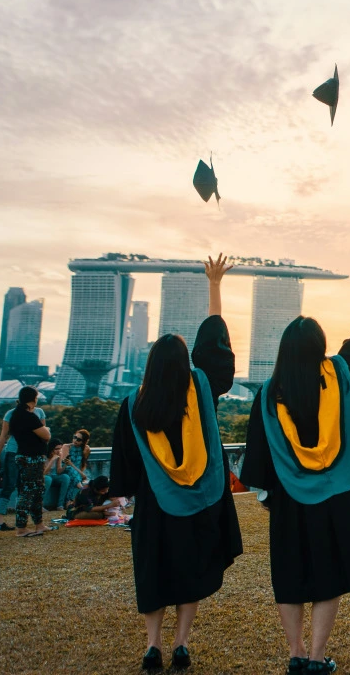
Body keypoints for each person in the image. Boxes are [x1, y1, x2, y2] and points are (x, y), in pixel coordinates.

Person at [241, 258, 350, 675]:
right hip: (337, 494)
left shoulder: (269, 394)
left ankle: (295, 652)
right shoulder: (339, 372)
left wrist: (268, 495)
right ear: (321, 345)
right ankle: (317, 656)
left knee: (290, 576)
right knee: (328, 574)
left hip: (289, 497)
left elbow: (258, 453)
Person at [110, 254, 243, 672]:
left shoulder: (133, 404)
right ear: (186, 363)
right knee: (191, 571)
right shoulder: (201, 387)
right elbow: (214, 345)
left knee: (155, 574)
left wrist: (129, 496)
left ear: (150, 364)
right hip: (200, 501)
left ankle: (153, 646)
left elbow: (125, 465)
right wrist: (215, 285)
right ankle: (181, 644)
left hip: (155, 504)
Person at [0, 390, 46, 528]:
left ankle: (22, 520)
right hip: (13, 451)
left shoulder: (39, 412)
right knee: (9, 484)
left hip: (31, 453)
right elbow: (3, 436)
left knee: (25, 488)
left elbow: (42, 433)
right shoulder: (11, 413)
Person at [7, 387, 52, 537]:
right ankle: (21, 528)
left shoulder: (15, 415)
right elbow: (46, 435)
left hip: (23, 455)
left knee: (37, 491)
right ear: (33, 399)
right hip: (32, 458)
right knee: (28, 492)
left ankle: (39, 524)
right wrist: (46, 429)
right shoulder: (29, 416)